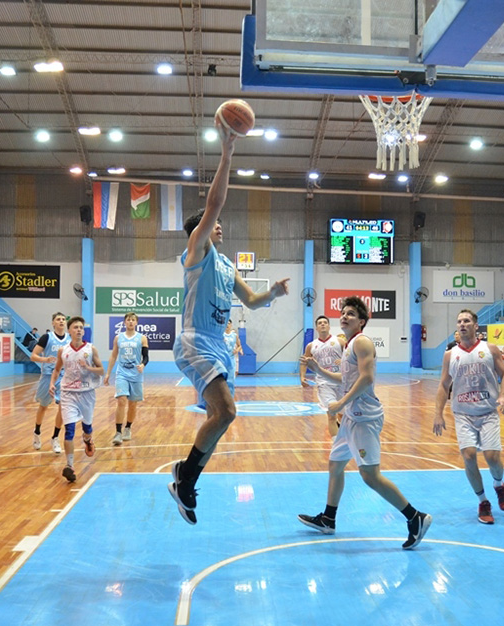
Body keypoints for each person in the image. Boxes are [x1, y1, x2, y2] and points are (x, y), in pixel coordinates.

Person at [167, 123, 290, 526]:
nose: (219, 224)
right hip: (194, 340)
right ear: (198, 232)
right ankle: (185, 480)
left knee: (224, 416)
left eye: (216, 223)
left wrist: (271, 293)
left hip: (218, 344)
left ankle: (185, 476)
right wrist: (226, 153)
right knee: (226, 412)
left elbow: (252, 301)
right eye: (210, 222)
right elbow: (215, 204)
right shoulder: (196, 253)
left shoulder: (225, 264)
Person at [299, 296, 432, 549]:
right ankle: (328, 518)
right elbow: (344, 379)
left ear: (361, 321)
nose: (345, 316)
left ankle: (415, 518)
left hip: (364, 418)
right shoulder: (349, 345)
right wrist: (318, 369)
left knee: (370, 476)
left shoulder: (361, 342)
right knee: (335, 465)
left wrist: (340, 404)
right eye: (343, 312)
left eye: (351, 314)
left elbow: (367, 378)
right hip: (351, 417)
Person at [433, 308, 504, 525]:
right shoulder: (450, 355)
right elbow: (443, 385)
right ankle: (483, 501)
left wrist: (503, 397)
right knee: (468, 456)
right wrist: (438, 413)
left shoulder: (490, 349)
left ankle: (498, 485)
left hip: (488, 412)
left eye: (467, 320)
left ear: (476, 326)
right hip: (463, 414)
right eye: (459, 321)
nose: (462, 324)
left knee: (492, 458)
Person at [49, 316, 103, 483]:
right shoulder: (63, 351)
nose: (79, 330)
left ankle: (88, 439)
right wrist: (52, 383)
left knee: (87, 427)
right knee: (69, 429)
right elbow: (57, 369)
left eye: (81, 327)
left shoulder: (91, 349)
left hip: (87, 392)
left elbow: (101, 370)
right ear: (69, 331)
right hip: (68, 393)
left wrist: (88, 367)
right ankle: (70, 465)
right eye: (75, 327)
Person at [104, 312, 148, 444]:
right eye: (128, 320)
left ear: (136, 323)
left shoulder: (142, 338)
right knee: (121, 400)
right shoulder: (118, 338)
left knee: (132, 404)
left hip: (136, 374)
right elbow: (113, 356)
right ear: (124, 322)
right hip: (122, 373)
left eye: (133, 320)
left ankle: (128, 428)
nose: (130, 322)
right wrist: (108, 373)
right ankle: (118, 432)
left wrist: (143, 364)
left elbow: (146, 356)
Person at [299, 314, 345, 434]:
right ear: (317, 328)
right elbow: (304, 361)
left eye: (325, 322)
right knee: (331, 414)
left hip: (341, 382)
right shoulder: (311, 346)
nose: (323, 324)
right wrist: (302, 377)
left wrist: (344, 360)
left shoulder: (339, 341)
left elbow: (352, 357)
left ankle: (345, 439)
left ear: (329, 326)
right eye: (320, 323)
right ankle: (336, 446)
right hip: (324, 383)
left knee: (344, 416)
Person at [30, 312, 69, 453]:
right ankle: (37, 432)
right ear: (53, 323)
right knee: (43, 406)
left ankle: (55, 437)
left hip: (64, 376)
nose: (61, 321)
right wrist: (45, 360)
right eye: (58, 319)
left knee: (63, 406)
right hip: (47, 376)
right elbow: (33, 356)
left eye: (63, 319)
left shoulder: (70, 338)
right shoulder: (47, 337)